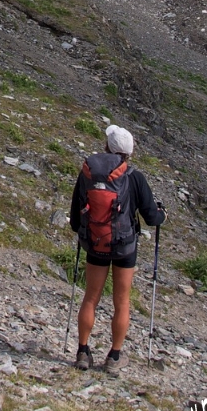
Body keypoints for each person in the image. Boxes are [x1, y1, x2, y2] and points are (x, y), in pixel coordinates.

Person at [69, 123, 166, 374]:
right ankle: (114, 357)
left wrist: (85, 231)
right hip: (124, 247)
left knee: (91, 297)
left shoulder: (88, 174)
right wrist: (161, 214)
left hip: (95, 243)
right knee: (121, 301)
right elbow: (151, 218)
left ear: (107, 147)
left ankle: (82, 351)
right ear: (129, 152)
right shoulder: (134, 177)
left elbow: (74, 219)